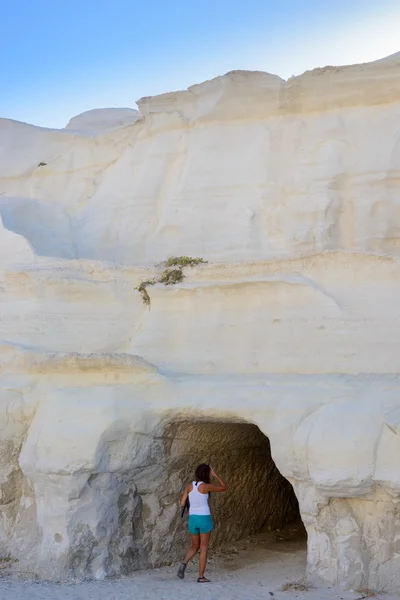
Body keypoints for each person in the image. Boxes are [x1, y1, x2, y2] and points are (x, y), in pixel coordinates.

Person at [177, 463, 227, 583]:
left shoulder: (189, 486)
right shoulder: (206, 486)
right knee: (203, 548)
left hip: (192, 519)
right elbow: (224, 488)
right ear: (206, 474)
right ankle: (201, 577)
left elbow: (182, 503)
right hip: (204, 518)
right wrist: (216, 475)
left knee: (195, 546)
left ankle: (184, 563)